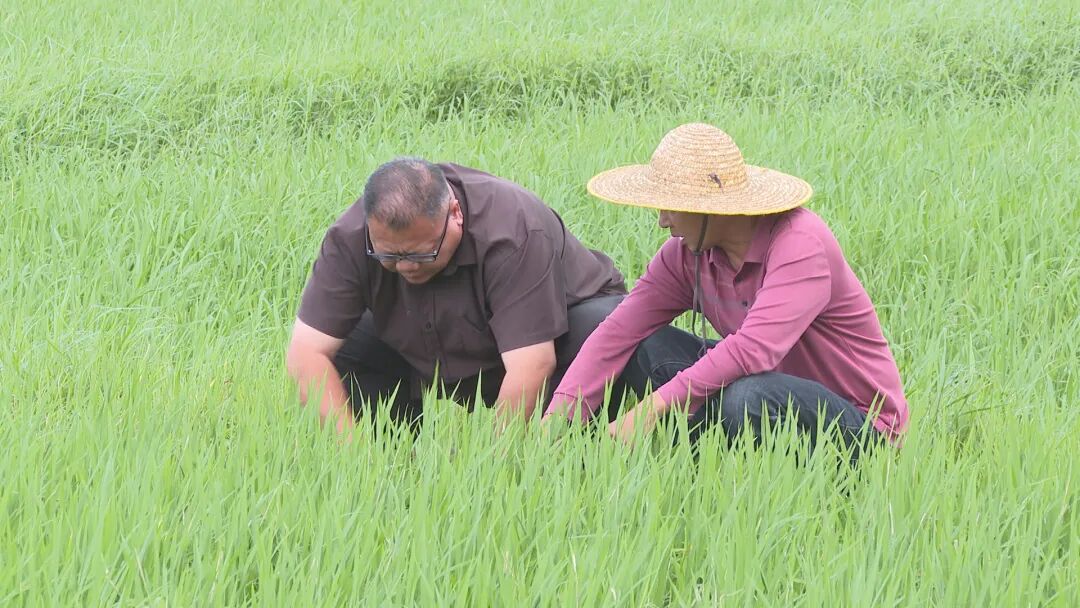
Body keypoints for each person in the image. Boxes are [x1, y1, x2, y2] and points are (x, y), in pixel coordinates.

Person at [544, 123, 909, 460]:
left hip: (859, 423)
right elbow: (619, 331)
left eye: (671, 207)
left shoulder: (800, 243)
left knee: (747, 397)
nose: (662, 220)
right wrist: (555, 423)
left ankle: (739, 477)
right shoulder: (686, 255)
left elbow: (753, 350)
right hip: (765, 386)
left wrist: (651, 408)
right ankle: (664, 462)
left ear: (711, 209)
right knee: (643, 346)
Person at [286, 158, 626, 438]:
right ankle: (395, 459)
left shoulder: (512, 229)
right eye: (389, 257)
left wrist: (492, 461)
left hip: (551, 339)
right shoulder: (351, 236)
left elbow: (533, 364)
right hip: (442, 334)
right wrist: (353, 453)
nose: (405, 267)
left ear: (455, 214)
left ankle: (573, 453)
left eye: (421, 255)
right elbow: (306, 351)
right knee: (349, 343)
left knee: (601, 326)